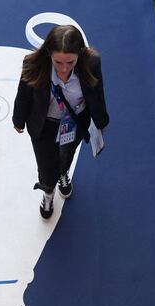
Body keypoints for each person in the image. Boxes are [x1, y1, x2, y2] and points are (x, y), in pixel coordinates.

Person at [12, 24, 109, 218]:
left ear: (79, 55)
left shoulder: (92, 63)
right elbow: (23, 95)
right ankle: (48, 191)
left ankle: (63, 174)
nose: (64, 69)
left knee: (67, 154)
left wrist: (100, 120)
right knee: (46, 164)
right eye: (58, 62)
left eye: (70, 62)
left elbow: (97, 92)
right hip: (44, 124)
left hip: (74, 122)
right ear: (49, 54)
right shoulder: (33, 63)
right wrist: (19, 120)